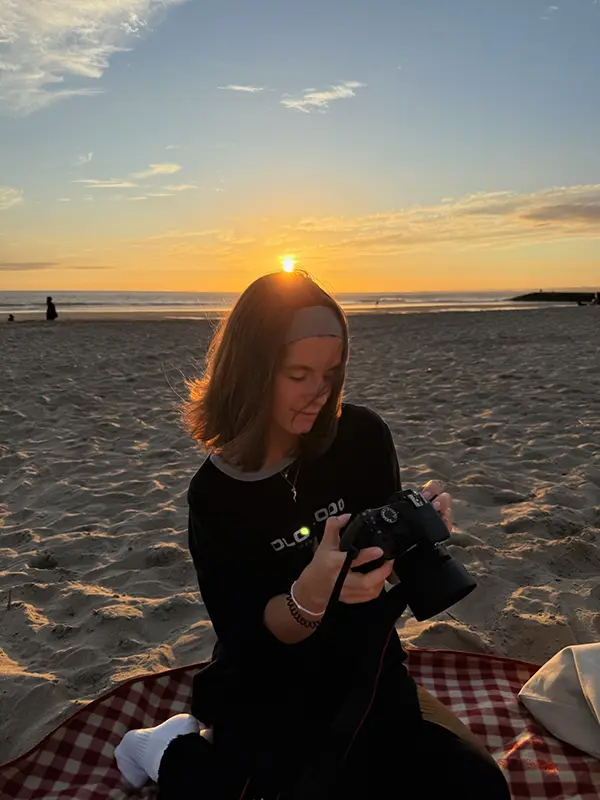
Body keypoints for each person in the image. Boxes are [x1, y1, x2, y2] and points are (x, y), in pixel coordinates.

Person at [114, 271, 511, 799]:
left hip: (369, 669)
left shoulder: (363, 436)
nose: (319, 394)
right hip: (272, 685)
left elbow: (388, 560)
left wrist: (416, 532)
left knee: (477, 789)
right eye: (298, 373)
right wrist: (312, 594)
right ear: (251, 372)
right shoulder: (217, 494)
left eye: (331, 372)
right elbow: (247, 635)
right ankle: (165, 747)